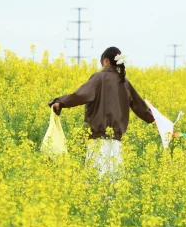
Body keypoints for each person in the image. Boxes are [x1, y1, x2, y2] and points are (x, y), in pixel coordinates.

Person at [49, 47, 155, 176]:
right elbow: (139, 105)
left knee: (96, 179)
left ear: (106, 61)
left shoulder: (99, 77)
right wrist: (153, 118)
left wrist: (60, 102)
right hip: (116, 143)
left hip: (98, 142)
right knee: (115, 181)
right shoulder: (124, 82)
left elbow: (80, 95)